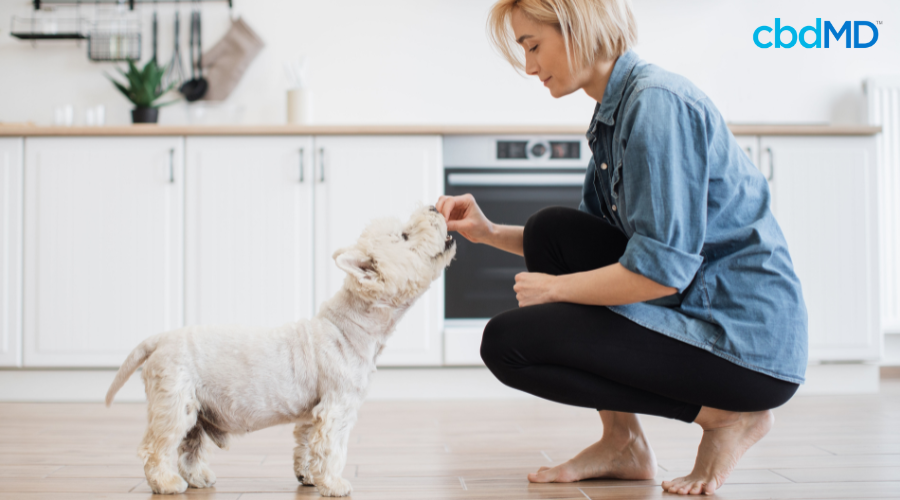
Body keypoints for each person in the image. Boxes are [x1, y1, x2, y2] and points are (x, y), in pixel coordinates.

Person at [436, 0, 808, 496]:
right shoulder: (615, 112)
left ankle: (726, 418)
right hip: (693, 313)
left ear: (577, 29)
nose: (529, 66)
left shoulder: (655, 105)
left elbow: (662, 271)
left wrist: (556, 291)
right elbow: (585, 245)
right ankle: (623, 442)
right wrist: (487, 231)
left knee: (509, 344)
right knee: (551, 230)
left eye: (533, 46)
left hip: (744, 346)